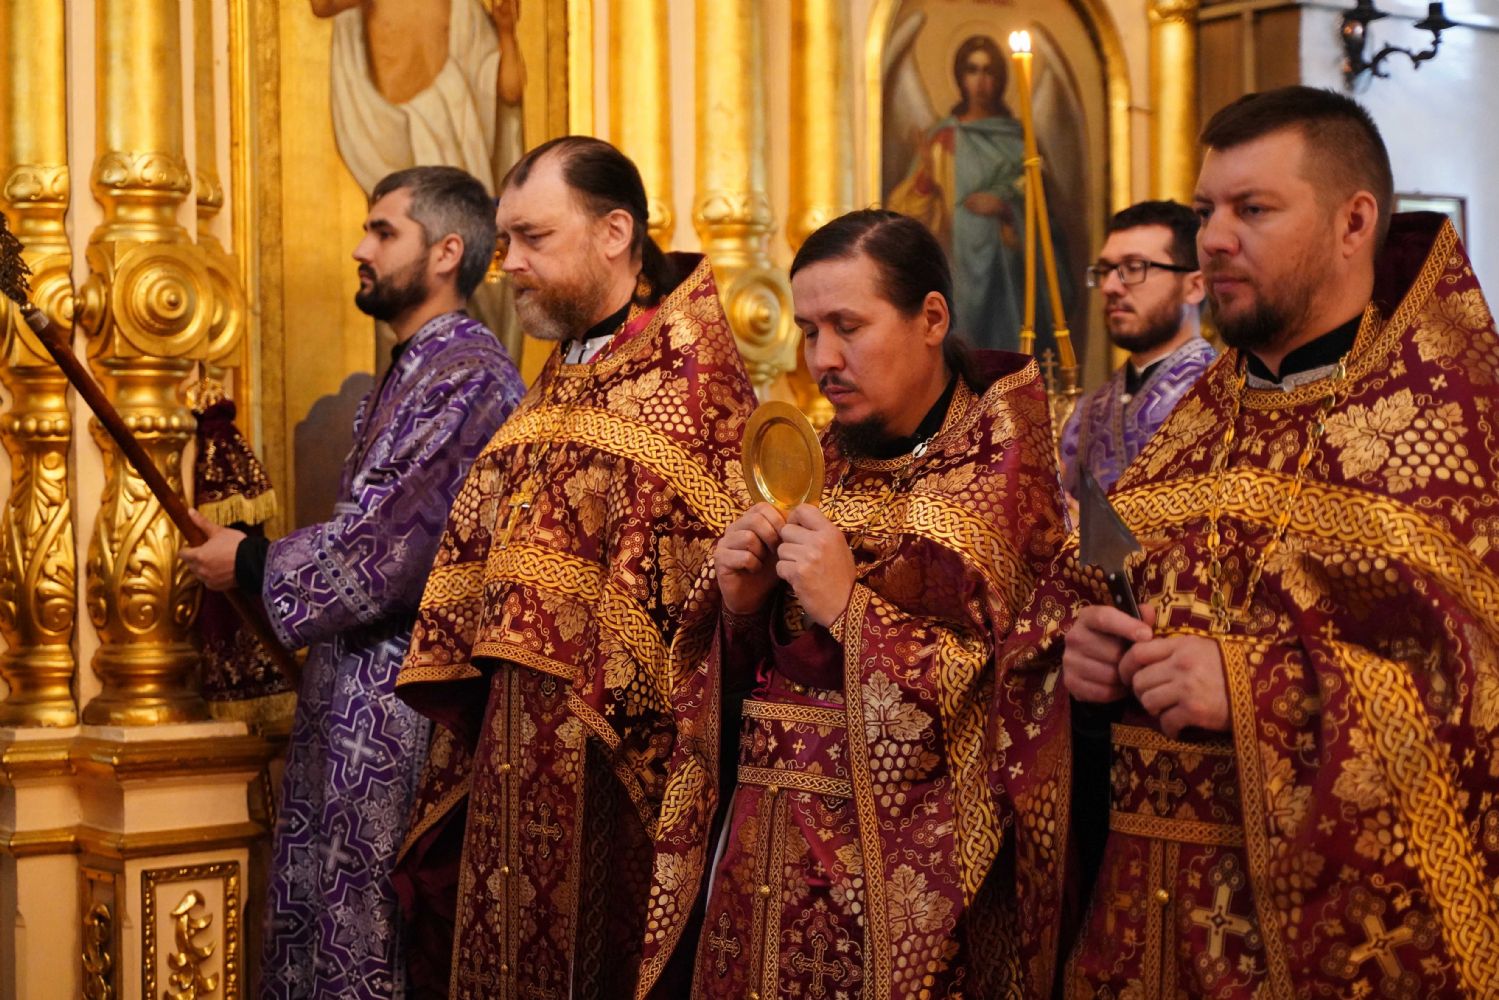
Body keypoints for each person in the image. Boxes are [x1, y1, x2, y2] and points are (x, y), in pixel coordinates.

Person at [992, 86, 1499, 997]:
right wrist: (1077, 658)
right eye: (1204, 212)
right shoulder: (1193, 421)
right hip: (1130, 937)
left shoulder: (1447, 427)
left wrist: (1257, 690)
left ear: (1353, 223)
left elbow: (1473, 701)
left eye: (1252, 209)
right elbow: (1079, 606)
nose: (1213, 239)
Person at [390, 136, 759, 998]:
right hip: (508, 751)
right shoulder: (559, 380)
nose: (508, 264)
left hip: (618, 770)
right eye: (504, 240)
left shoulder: (690, 384)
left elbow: (705, 610)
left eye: (533, 238)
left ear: (614, 233)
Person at [698, 210, 1067, 997]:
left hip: (907, 901)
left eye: (848, 326)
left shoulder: (1000, 478)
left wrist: (849, 611)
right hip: (763, 866)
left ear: (930, 319)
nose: (822, 360)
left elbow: (1019, 705)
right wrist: (739, 607)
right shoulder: (819, 462)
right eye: (808, 332)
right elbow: (747, 687)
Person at [180, 165, 525, 999]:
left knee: (370, 933)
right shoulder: (412, 371)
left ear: (446, 252)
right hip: (349, 702)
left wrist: (252, 562)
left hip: (404, 712)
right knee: (322, 920)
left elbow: (398, 544)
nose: (359, 250)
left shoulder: (471, 376)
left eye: (383, 231)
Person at [888, 35, 1070, 354]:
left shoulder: (1020, 139)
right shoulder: (944, 137)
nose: (981, 81)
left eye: (989, 71)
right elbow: (906, 214)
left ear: (1001, 78)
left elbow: (1041, 211)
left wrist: (1005, 205)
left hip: (1008, 272)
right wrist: (926, 180)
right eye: (972, 70)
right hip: (957, 270)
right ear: (960, 76)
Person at [1058, 200, 1213, 497]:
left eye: (1134, 268)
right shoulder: (1088, 412)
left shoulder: (1224, 399)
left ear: (1194, 287)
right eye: (1105, 270)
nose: (1110, 287)